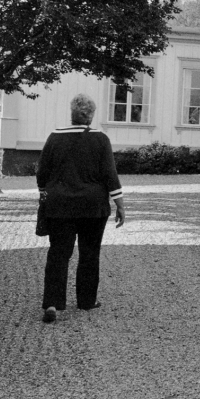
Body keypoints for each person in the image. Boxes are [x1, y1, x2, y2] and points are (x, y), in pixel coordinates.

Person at [36, 94, 125, 323]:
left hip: (60, 206)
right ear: (91, 115)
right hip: (92, 206)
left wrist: (45, 193)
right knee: (89, 252)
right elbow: (109, 174)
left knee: (58, 253)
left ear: (71, 114)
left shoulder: (54, 138)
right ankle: (86, 301)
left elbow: (42, 173)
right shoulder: (100, 139)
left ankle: (53, 303)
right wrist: (119, 204)